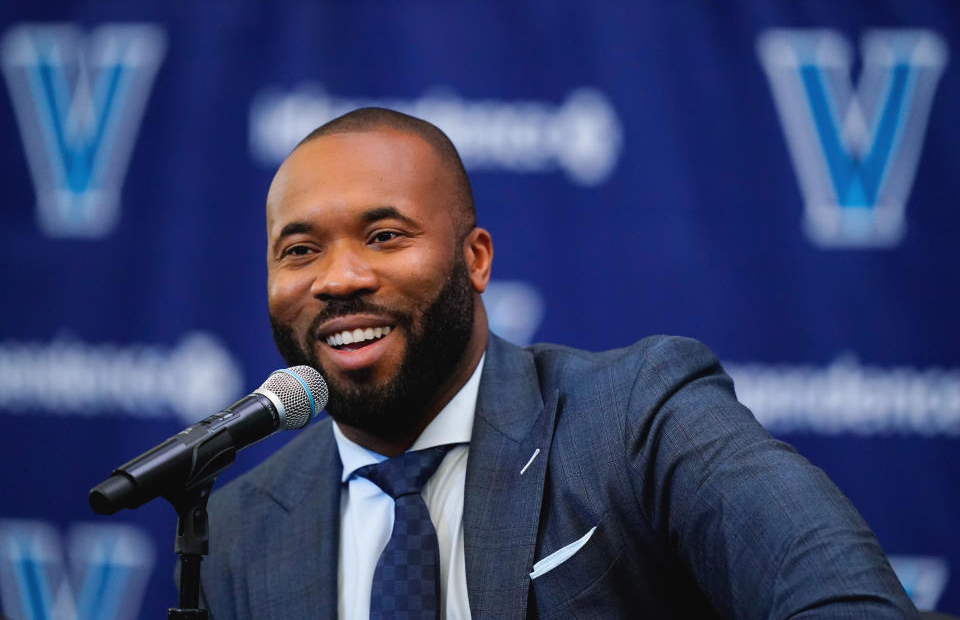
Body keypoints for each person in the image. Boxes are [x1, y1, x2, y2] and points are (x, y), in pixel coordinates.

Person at [199, 107, 918, 619]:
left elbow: (845, 599)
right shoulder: (236, 529)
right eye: (299, 251)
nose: (339, 277)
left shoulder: (637, 418)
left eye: (385, 235)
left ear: (475, 259)